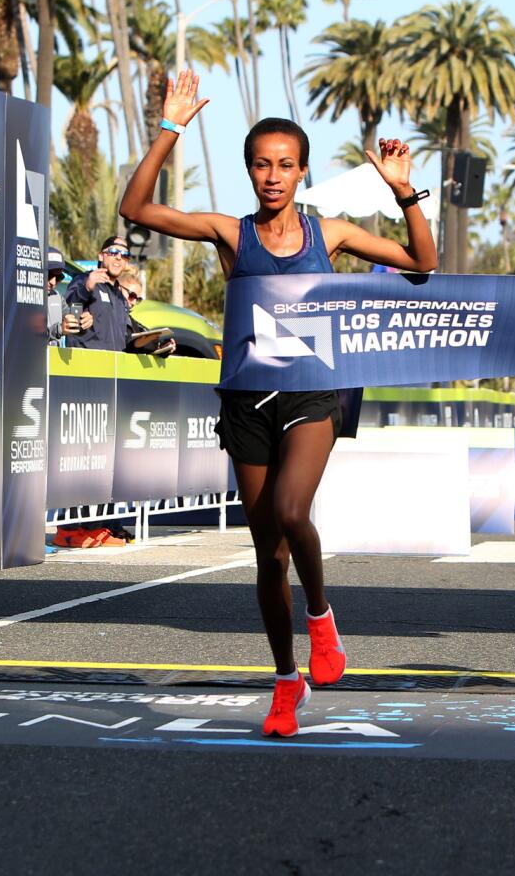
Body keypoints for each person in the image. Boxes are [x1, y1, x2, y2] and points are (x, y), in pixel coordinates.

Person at [118, 70, 437, 736]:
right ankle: (285, 681)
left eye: (285, 165)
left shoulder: (334, 234)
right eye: (261, 165)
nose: (272, 175)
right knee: (267, 553)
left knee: (293, 510)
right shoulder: (230, 234)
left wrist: (405, 192)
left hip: (314, 390)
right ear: (249, 172)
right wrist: (170, 129)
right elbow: (137, 210)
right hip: (246, 397)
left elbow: (420, 261)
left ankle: (320, 619)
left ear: (302, 172)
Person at [65, 235, 133, 350]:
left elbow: (127, 338)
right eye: (113, 252)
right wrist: (86, 288)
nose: (118, 257)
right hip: (86, 364)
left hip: (113, 366)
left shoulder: (121, 297)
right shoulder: (84, 280)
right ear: (101, 256)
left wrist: (157, 345)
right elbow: (68, 311)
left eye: (124, 255)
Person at [116, 270, 177, 357]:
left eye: (138, 299)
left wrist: (163, 348)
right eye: (131, 295)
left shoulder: (131, 322)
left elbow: (148, 337)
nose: (134, 302)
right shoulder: (103, 314)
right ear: (118, 288)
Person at [44, 247, 90, 344]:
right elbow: (27, 337)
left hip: (53, 358)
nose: (53, 282)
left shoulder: (57, 297)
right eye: (48, 274)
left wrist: (82, 323)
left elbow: (71, 323)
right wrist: (59, 329)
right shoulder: (24, 297)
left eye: (58, 277)